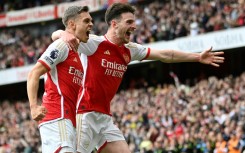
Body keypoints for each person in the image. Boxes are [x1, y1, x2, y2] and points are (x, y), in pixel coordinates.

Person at [52, 3, 225, 153]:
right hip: (85, 114)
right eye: (129, 22)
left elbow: (166, 54)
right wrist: (62, 34)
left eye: (134, 22)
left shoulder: (130, 50)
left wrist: (197, 57)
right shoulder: (94, 44)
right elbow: (58, 35)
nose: (134, 26)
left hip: (105, 118)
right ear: (114, 24)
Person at [27, 6, 93, 153]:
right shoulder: (62, 45)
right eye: (86, 21)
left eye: (91, 21)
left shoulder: (77, 52)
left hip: (67, 120)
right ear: (72, 24)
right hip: (58, 116)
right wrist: (33, 107)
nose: (91, 24)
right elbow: (34, 73)